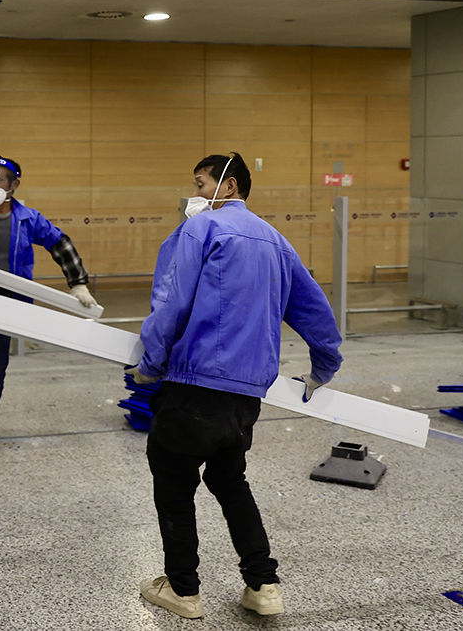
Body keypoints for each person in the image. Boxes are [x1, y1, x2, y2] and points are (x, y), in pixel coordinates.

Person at [128, 152, 343, 620]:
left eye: (201, 184)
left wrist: (150, 363)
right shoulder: (278, 243)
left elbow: (172, 300)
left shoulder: (201, 230)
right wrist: (324, 365)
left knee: (174, 483)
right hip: (245, 395)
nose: (195, 194)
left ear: (228, 187)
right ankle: (263, 587)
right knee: (230, 480)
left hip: (193, 383)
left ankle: (182, 591)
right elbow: (314, 309)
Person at [0, 155, 98, 465]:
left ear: (15, 184)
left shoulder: (29, 219)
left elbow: (60, 244)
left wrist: (78, 282)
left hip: (7, 307)